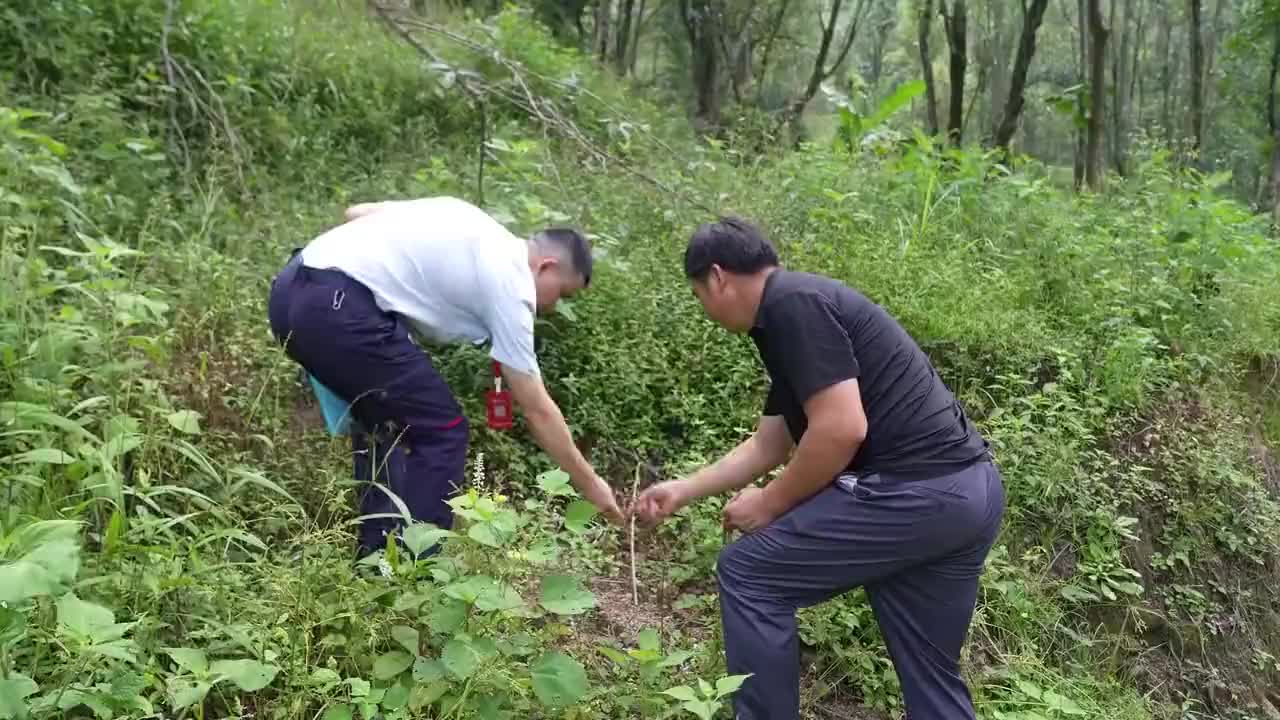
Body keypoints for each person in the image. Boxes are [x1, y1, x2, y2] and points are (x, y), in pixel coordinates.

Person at [632, 217, 1005, 720]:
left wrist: (769, 503)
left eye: (699, 294)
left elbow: (841, 428)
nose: (704, 309)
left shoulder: (791, 306)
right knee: (931, 676)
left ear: (718, 277)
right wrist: (684, 490)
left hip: (916, 494)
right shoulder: (797, 314)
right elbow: (770, 444)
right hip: (968, 493)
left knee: (750, 574)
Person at [267, 195, 623, 557]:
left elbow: (356, 212)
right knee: (443, 431)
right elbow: (537, 410)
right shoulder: (512, 285)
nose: (552, 306)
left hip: (290, 290)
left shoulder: (466, 216)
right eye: (561, 293)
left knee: (385, 422)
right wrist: (591, 485)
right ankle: (416, 568)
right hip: (337, 308)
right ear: (545, 266)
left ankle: (376, 560)